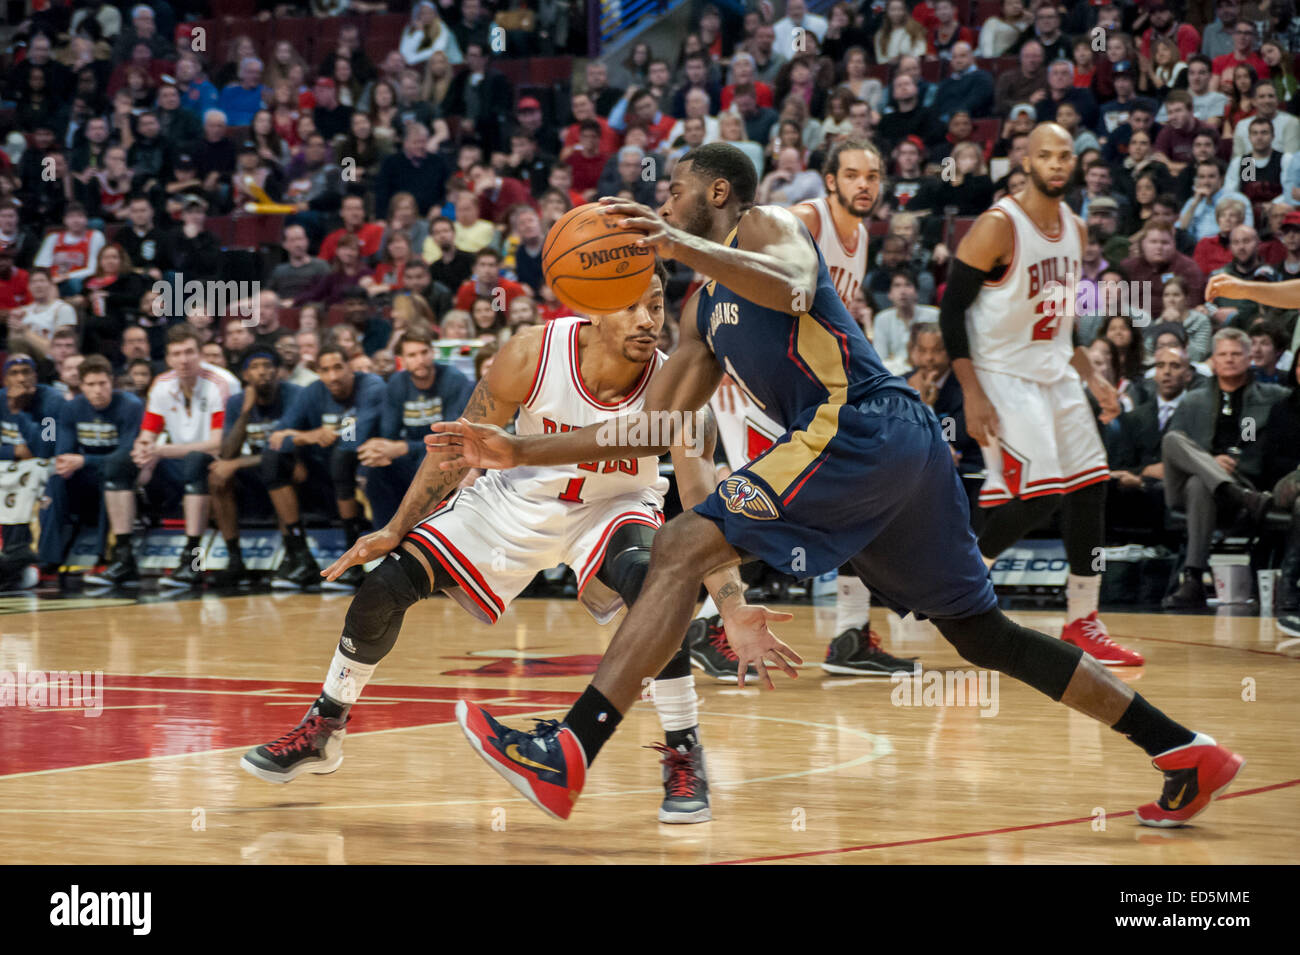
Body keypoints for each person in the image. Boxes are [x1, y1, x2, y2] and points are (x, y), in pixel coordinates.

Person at [428, 142, 1242, 828]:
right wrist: (519, 447)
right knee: (982, 635)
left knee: (678, 542)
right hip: (888, 454)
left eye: (671, 190)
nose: (660, 204)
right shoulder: (699, 312)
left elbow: (786, 287)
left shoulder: (771, 226)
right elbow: (661, 428)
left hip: (863, 424)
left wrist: (676, 245)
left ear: (717, 192)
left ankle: (569, 751)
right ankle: (1183, 749)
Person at [243, 267, 722, 825]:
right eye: (630, 306)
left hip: (615, 505)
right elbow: (457, 446)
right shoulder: (531, 354)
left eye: (657, 307)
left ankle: (684, 748)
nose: (647, 321)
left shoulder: (677, 383)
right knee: (386, 585)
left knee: (652, 587)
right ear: (593, 307)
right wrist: (397, 527)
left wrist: (726, 598)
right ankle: (325, 725)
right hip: (514, 501)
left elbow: (698, 492)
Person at [942, 124, 1145, 666]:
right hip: (1001, 377)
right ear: (1025, 161)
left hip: (1055, 374)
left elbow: (1061, 324)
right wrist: (971, 393)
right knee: (1041, 495)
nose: (1056, 164)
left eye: (1065, 156)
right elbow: (950, 311)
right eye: (1045, 156)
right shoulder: (997, 226)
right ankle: (954, 584)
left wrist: (1094, 377)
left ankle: (1083, 620)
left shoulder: (1076, 230)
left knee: (1091, 487)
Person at [87, 324, 237, 588]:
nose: (184, 359)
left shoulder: (221, 383)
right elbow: (148, 433)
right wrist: (143, 451)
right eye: (177, 354)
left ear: (200, 354)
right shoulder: (162, 384)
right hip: (174, 461)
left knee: (195, 461)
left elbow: (216, 445)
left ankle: (192, 561)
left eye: (189, 352)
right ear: (167, 359)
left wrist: (162, 451)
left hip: (216, 463)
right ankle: (123, 559)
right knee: (117, 464)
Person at [1158, 328, 1288, 608]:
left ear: (1248, 358)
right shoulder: (1193, 400)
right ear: (1213, 361)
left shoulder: (1272, 397)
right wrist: (1210, 462)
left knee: (1198, 485)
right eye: (1223, 354)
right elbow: (1174, 451)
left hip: (1241, 484)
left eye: (1235, 354)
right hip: (1209, 491)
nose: (1229, 360)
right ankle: (1231, 489)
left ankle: (1193, 579)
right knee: (1172, 439)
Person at [262, 345, 387, 590]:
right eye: (325, 370)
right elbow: (277, 437)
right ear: (317, 372)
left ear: (350, 366)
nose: (333, 376)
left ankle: (355, 563)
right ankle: (299, 556)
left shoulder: (372, 386)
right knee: (272, 459)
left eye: (338, 368)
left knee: (342, 457)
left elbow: (353, 438)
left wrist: (298, 434)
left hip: (368, 467)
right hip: (322, 470)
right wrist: (307, 437)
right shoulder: (312, 392)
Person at [206, 349, 304, 589]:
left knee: (277, 470)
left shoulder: (294, 395)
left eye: (268, 365)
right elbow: (228, 453)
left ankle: (293, 556)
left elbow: (287, 448)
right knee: (217, 476)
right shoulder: (237, 402)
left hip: (293, 467)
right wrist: (246, 411)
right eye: (256, 366)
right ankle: (234, 559)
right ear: (245, 374)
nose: (263, 371)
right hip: (258, 471)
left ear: (278, 371)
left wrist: (238, 463)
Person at [357, 329, 473, 529]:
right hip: (415, 453)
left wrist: (403, 448)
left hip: (448, 456)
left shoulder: (455, 380)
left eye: (424, 352)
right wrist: (377, 453)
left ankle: (431, 537)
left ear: (433, 353)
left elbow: (450, 439)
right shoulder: (396, 383)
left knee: (433, 461)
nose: (420, 359)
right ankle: (385, 538)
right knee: (376, 468)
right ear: (402, 360)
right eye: (412, 355)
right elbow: (388, 436)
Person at [39, 355, 144, 571]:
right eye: (91, 385)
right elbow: (64, 453)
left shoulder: (130, 406)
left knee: (112, 473)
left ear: (112, 383)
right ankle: (47, 558)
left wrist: (84, 460)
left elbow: (125, 454)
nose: (98, 390)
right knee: (56, 480)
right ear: (82, 386)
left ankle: (104, 555)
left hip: (120, 475)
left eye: (102, 384)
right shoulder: (71, 408)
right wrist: (67, 464)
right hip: (87, 474)